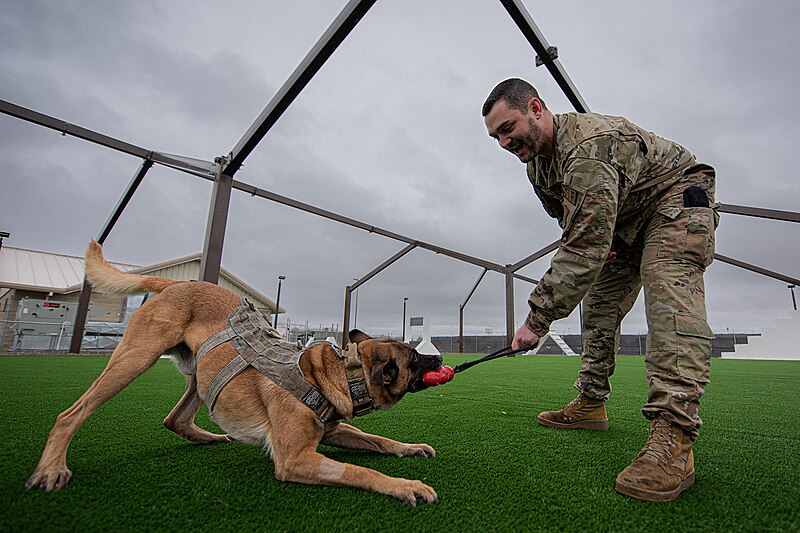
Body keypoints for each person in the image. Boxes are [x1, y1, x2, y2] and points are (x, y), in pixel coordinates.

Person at [482, 78, 718, 502]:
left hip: (673, 201)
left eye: (507, 127)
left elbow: (583, 246)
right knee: (598, 308)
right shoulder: (538, 166)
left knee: (669, 303)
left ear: (536, 108)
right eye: (495, 135)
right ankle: (590, 403)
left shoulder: (590, 148)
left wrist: (536, 320)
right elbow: (574, 227)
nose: (503, 142)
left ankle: (674, 440)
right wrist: (600, 243)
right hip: (622, 225)